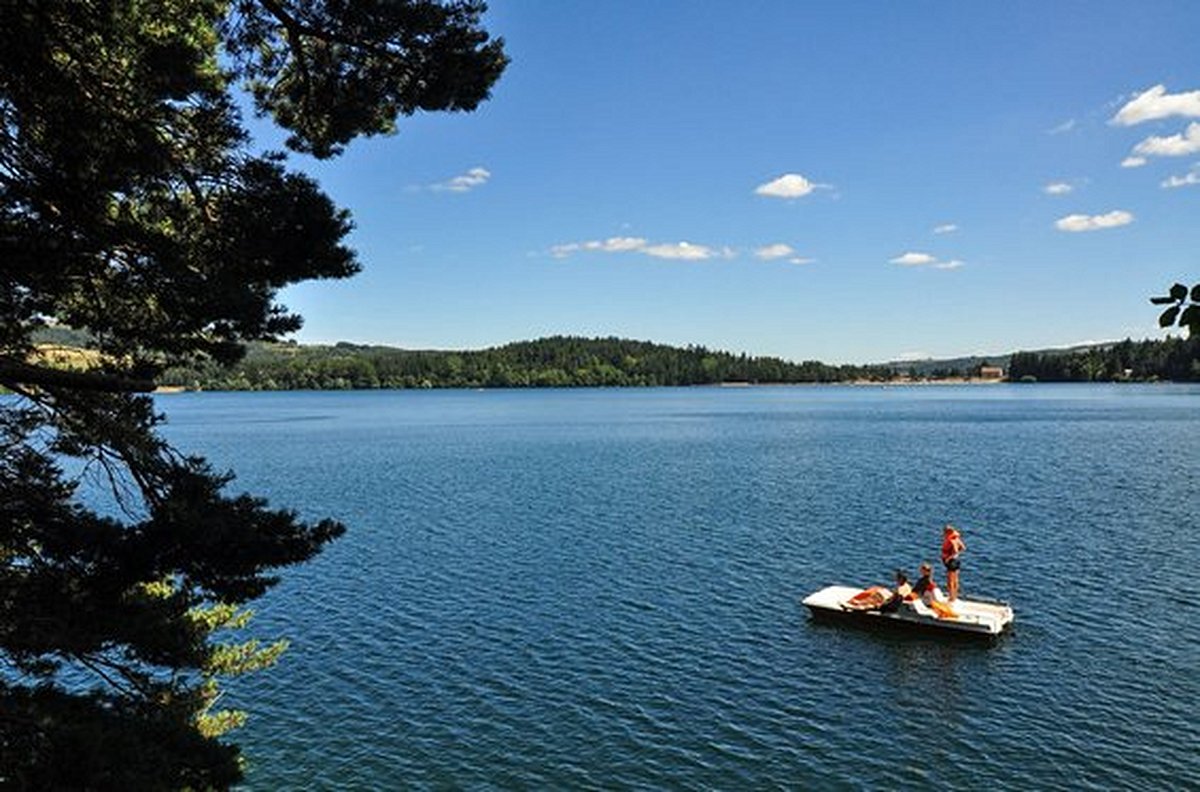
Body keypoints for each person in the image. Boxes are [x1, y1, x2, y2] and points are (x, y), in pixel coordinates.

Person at [941, 524, 966, 601]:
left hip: (951, 562)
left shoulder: (952, 540)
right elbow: (963, 548)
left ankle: (951, 598)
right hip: (956, 561)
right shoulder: (957, 539)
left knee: (950, 581)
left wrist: (949, 558)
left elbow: (955, 551)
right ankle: (954, 596)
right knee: (955, 580)